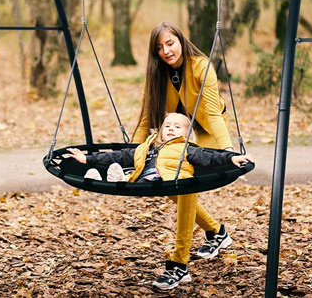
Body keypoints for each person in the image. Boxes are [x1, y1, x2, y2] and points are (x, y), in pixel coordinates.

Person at [64, 113, 253, 290]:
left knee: (185, 216)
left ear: (187, 135)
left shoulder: (187, 149)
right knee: (124, 168)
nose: (171, 129)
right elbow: (118, 156)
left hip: (181, 182)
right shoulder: (148, 148)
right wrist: (87, 159)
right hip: (150, 181)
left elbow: (210, 158)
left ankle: (179, 267)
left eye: (177, 127)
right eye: (167, 126)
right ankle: (217, 233)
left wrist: (232, 157)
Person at [133, 21, 242, 289]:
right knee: (171, 185)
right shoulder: (157, 74)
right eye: (159, 47)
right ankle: (217, 232)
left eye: (170, 43)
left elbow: (214, 113)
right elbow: (147, 116)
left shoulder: (201, 66)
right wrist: (131, 153)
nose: (166, 51)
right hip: (178, 135)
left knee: (185, 186)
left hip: (205, 130)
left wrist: (227, 148)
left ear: (180, 40)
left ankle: (179, 264)